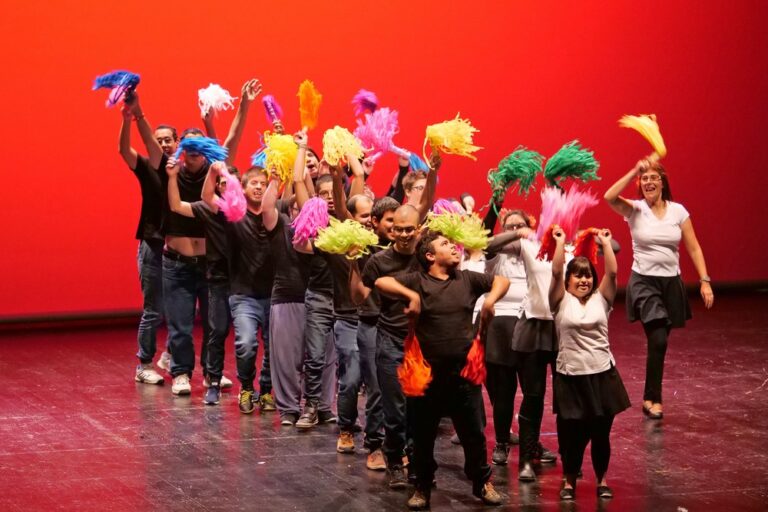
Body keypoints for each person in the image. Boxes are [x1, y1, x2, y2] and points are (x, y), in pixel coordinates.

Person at [375, 231, 509, 509]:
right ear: (430, 256)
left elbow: (501, 281)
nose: (454, 247)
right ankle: (422, 486)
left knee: (474, 434)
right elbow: (380, 282)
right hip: (428, 376)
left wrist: (490, 300)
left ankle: (482, 481)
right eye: (445, 244)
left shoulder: (467, 279)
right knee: (422, 437)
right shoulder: (417, 281)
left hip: (463, 374)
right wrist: (410, 294)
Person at [604, 157, 714, 419]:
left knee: (659, 343)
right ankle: (653, 398)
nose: (649, 182)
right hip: (644, 282)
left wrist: (705, 280)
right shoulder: (636, 209)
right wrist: (634, 170)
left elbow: (694, 247)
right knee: (659, 339)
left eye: (654, 178)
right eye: (645, 179)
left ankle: (650, 398)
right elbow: (609, 197)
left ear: (663, 183)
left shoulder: (678, 211)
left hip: (671, 283)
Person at [358, 154, 438, 489]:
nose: (403, 235)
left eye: (409, 230)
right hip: (390, 341)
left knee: (422, 409)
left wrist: (433, 171)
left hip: (423, 342)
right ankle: (394, 463)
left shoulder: (426, 256)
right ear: (390, 231)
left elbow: (426, 201)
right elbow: (363, 293)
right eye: (398, 230)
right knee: (395, 409)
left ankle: (417, 463)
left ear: (419, 230)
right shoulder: (378, 261)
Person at [548, 226, 631, 500]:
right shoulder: (560, 300)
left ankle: (601, 480)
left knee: (600, 434)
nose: (584, 280)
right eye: (578, 275)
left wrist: (606, 244)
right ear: (569, 280)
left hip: (602, 376)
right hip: (571, 377)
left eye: (588, 275)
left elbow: (613, 273)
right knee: (573, 436)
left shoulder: (601, 299)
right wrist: (560, 243)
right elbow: (556, 272)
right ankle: (569, 480)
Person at [204, 165, 275, 413]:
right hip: (243, 295)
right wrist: (213, 173)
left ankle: (266, 390)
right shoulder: (235, 214)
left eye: (263, 183)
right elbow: (207, 197)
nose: (259, 187)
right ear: (243, 188)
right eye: (254, 183)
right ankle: (246, 387)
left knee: (273, 347)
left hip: (274, 295)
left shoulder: (274, 212)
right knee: (246, 343)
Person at [117, 93, 175, 385]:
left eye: (168, 140)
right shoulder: (148, 166)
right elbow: (124, 150)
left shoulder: (181, 171)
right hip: (153, 245)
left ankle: (171, 357)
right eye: (159, 139)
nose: (163, 144)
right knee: (154, 309)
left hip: (179, 248)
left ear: (177, 142)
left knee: (180, 308)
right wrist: (130, 119)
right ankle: (144, 364)